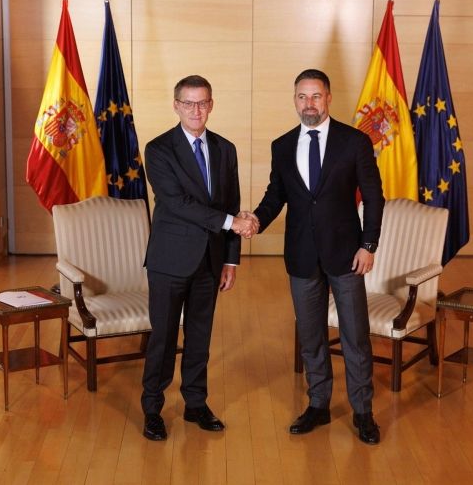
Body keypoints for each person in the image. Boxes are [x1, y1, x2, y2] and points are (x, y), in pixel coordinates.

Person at [248, 69, 385, 444]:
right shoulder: (282, 145)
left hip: (347, 256)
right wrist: (255, 221)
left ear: (328, 98)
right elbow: (276, 196)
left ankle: (363, 412)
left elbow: (374, 198)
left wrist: (369, 245)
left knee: (355, 338)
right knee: (311, 338)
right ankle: (319, 404)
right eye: (302, 96)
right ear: (295, 100)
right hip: (302, 256)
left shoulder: (355, 142)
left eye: (316, 96)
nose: (309, 104)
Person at [141, 75, 256, 441]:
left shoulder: (225, 149)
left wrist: (231, 260)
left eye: (202, 102)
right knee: (163, 339)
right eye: (188, 103)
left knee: (200, 337)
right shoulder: (159, 149)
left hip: (210, 260)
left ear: (211, 105)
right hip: (169, 261)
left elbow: (232, 203)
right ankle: (152, 409)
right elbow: (178, 203)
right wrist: (232, 223)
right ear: (176, 106)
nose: (196, 110)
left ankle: (195, 403)